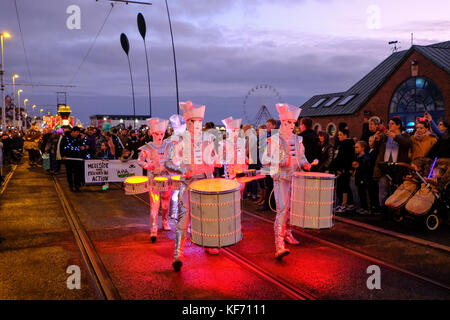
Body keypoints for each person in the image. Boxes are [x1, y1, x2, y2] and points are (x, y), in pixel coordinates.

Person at [164, 102, 216, 271]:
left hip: (206, 183)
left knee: (207, 217)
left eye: (199, 121)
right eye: (193, 121)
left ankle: (208, 244)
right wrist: (182, 168)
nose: (196, 124)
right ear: (187, 122)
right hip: (188, 184)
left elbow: (214, 160)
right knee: (183, 219)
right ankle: (178, 254)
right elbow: (168, 162)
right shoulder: (178, 139)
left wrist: (214, 162)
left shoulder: (208, 138)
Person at [262, 104, 315, 260]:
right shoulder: (274, 140)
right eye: (287, 123)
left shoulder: (298, 139)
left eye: (293, 123)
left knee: (292, 208)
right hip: (281, 179)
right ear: (282, 122)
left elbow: (302, 157)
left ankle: (287, 233)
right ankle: (279, 244)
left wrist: (306, 164)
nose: (291, 126)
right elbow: (265, 159)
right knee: (282, 209)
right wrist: (278, 161)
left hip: (295, 178)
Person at [137, 118, 173, 243]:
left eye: (162, 134)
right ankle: (153, 227)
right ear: (152, 133)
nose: (159, 136)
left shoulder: (169, 146)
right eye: (157, 134)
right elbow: (140, 160)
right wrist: (148, 165)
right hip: (153, 178)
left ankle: (164, 220)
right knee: (154, 203)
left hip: (167, 177)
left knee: (165, 203)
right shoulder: (147, 147)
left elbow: (175, 159)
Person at [372, 117, 411, 210]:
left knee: (396, 190)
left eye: (392, 123)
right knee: (383, 188)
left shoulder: (404, 135)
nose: (390, 125)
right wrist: (376, 139)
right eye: (389, 123)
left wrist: (395, 137)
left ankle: (395, 210)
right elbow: (376, 149)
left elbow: (407, 144)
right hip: (385, 167)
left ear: (398, 125)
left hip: (398, 167)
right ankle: (383, 210)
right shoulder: (385, 136)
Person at [332, 128, 355, 213]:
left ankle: (344, 204)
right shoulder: (341, 144)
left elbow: (346, 158)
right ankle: (347, 203)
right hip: (341, 169)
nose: (338, 136)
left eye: (340, 135)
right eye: (338, 135)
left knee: (344, 187)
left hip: (344, 170)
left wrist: (342, 169)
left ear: (345, 135)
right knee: (342, 187)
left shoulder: (347, 144)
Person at [60, 126, 85, 192]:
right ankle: (71, 185)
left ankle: (77, 185)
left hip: (77, 158)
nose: (77, 134)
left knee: (77, 172)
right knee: (69, 173)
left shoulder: (79, 138)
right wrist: (63, 155)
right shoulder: (65, 138)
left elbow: (82, 146)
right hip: (69, 158)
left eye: (78, 132)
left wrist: (82, 147)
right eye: (76, 132)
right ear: (72, 132)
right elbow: (61, 147)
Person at [353, 141, 371, 215]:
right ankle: (363, 207)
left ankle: (366, 208)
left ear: (363, 148)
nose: (355, 149)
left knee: (364, 193)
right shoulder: (357, 157)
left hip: (363, 178)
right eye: (355, 147)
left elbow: (367, 168)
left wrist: (359, 166)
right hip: (359, 177)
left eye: (357, 147)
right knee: (360, 193)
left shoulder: (366, 157)